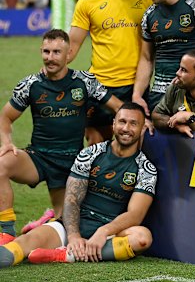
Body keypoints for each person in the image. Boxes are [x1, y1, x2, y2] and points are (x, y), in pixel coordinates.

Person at [0, 29, 122, 245]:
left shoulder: (85, 81)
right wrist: (7, 143)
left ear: (69, 54)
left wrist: (135, 123)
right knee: (2, 165)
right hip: (38, 158)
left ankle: (47, 221)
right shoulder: (30, 84)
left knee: (67, 225)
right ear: (41, 52)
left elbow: (117, 108)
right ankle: (7, 232)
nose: (50, 57)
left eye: (57, 52)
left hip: (73, 163)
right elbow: (5, 118)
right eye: (46, 51)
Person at [0, 103, 157, 267]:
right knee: (23, 243)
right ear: (113, 124)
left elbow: (135, 215)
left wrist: (103, 231)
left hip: (111, 232)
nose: (126, 128)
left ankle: (67, 255)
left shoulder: (146, 169)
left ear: (141, 129)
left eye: (133, 123)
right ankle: (71, 248)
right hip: (73, 224)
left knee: (142, 238)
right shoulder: (90, 154)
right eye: (122, 121)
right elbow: (71, 198)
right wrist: (74, 235)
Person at [69, 0, 153, 144]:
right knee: (96, 144)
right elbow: (71, 47)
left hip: (135, 87)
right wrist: (50, 69)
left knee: (136, 144)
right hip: (99, 86)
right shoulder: (88, 1)